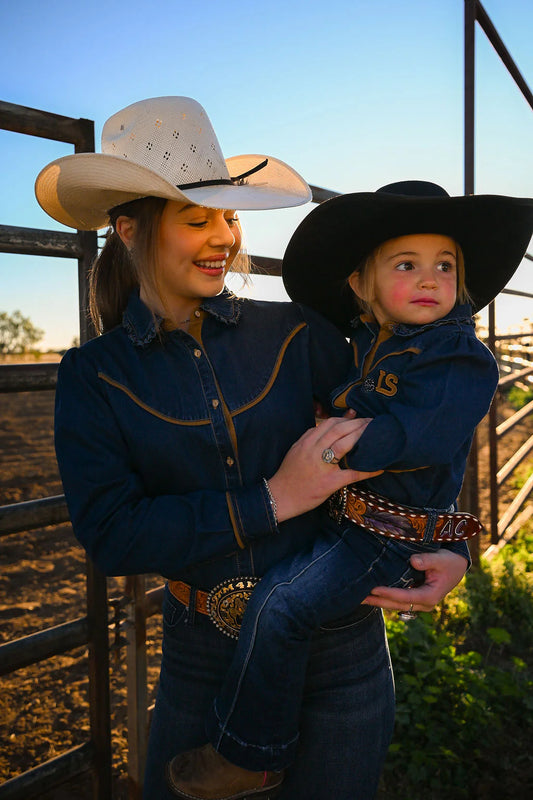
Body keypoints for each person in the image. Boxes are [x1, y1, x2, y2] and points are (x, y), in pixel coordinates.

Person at [35, 98, 475, 800]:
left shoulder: (297, 333)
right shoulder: (96, 375)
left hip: (341, 646)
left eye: (228, 217)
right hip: (200, 654)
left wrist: (453, 545)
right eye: (197, 218)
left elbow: (421, 433)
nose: (222, 237)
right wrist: (273, 500)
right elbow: (111, 534)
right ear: (128, 230)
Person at [166, 180, 533, 800]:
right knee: (285, 600)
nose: (430, 278)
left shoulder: (458, 357)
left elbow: (421, 436)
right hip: (356, 522)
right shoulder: (364, 346)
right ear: (361, 286)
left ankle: (248, 752)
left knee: (281, 603)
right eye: (407, 264)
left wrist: (331, 440)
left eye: (446, 266)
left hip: (380, 533)